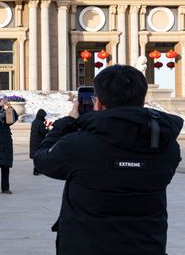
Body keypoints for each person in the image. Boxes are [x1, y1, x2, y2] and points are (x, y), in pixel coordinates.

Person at [34, 65, 182, 255]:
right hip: (147, 247)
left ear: (99, 103)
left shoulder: (78, 146)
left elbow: (42, 160)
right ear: (142, 100)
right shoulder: (166, 146)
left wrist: (69, 121)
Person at [29, 109, 48, 175]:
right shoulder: (40, 123)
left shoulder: (35, 122)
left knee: (36, 157)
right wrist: (48, 129)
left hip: (34, 142)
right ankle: (36, 170)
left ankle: (37, 170)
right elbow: (43, 132)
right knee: (38, 157)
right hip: (38, 142)